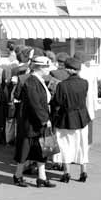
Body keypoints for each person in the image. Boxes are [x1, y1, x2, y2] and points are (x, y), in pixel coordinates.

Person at [12, 56, 56, 188]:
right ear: (40, 68)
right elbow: (34, 103)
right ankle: (18, 175)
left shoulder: (38, 80)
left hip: (39, 120)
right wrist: (45, 119)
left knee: (43, 150)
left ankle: (42, 177)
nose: (48, 70)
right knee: (25, 149)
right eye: (47, 67)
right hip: (32, 122)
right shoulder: (31, 81)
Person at [50, 57, 92, 183]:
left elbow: (57, 102)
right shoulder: (85, 83)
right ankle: (83, 171)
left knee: (65, 145)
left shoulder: (62, 85)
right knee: (82, 144)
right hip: (82, 117)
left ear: (68, 70)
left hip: (66, 118)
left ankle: (66, 173)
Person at [47, 52, 70, 170]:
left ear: (58, 62)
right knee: (65, 137)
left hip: (55, 107)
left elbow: (50, 90)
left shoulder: (53, 73)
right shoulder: (70, 74)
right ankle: (64, 161)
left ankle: (54, 160)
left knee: (53, 134)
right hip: (67, 109)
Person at [74, 51, 98, 145]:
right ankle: (88, 142)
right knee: (89, 119)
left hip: (78, 101)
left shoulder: (77, 71)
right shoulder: (91, 72)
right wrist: (95, 104)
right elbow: (95, 90)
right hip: (89, 100)